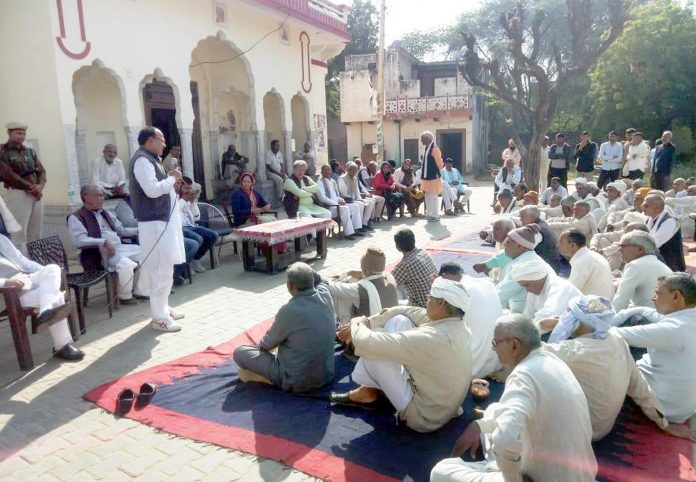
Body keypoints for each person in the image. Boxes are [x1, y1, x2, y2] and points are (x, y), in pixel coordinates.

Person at [432, 315, 597, 482]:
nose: (494, 349)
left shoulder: (523, 375)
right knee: (494, 409)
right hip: (582, 475)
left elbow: (505, 440)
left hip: (537, 477)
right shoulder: (553, 361)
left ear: (514, 345)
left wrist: (513, 478)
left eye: (495, 343)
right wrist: (478, 426)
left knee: (441, 471)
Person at [333, 278, 473, 433]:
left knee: (377, 349)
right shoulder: (459, 326)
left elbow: (369, 343)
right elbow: (403, 310)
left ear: (441, 303)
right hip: (444, 407)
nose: (427, 300)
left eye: (430, 298)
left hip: (424, 417)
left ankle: (369, 391)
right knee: (399, 320)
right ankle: (372, 390)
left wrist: (355, 323)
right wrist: (368, 321)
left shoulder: (433, 338)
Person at [544, 296, 688, 441]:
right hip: (604, 428)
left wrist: (539, 325)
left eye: (569, 314)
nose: (564, 318)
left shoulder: (571, 351)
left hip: (581, 434)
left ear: (578, 321)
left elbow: (524, 350)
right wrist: (664, 424)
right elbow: (640, 388)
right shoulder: (617, 341)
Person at [233, 262, 336, 393]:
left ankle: (271, 378)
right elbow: (322, 280)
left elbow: (266, 345)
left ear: (289, 286)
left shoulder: (288, 311)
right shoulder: (325, 294)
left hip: (296, 381)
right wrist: (307, 271)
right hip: (326, 375)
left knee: (240, 352)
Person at [613, 273, 696, 423]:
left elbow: (612, 334)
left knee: (602, 344)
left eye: (658, 293)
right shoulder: (687, 318)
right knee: (638, 319)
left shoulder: (673, 329)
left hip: (663, 407)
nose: (653, 298)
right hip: (682, 406)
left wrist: (573, 322)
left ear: (676, 296)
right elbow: (643, 311)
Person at [129, 127, 185, 333]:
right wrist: (171, 178)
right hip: (153, 223)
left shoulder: (153, 159)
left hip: (162, 221)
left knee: (167, 266)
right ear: (151, 140)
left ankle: (163, 307)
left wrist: (172, 182)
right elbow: (152, 190)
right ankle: (159, 317)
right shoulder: (142, 160)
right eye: (161, 140)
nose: (164, 144)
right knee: (159, 269)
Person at [0, 235, 83, 360]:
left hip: (25, 282)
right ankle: (62, 346)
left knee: (53, 269)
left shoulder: (2, 239)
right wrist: (6, 282)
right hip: (7, 294)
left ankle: (45, 312)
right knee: (56, 295)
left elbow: (23, 262)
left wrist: (49, 275)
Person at [68, 185, 146, 305]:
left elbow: (120, 230)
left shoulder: (106, 213)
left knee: (147, 254)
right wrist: (103, 242)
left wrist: (140, 230)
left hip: (119, 248)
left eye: (102, 195)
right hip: (99, 253)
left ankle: (141, 290)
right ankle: (125, 297)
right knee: (126, 265)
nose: (103, 198)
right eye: (99, 195)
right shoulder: (76, 217)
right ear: (86, 198)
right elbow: (79, 240)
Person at [436, 263, 502, 378]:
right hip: (495, 362)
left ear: (445, 277)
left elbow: (437, 318)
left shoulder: (460, 290)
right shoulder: (486, 282)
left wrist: (437, 289)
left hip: (473, 369)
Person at [0, 122, 46, 252]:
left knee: (36, 234)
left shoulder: (30, 152)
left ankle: (36, 265)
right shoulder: (2, 151)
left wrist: (40, 186)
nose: (21, 136)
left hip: (36, 194)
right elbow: (8, 174)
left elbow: (42, 171)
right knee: (18, 235)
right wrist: (32, 188)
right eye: (18, 133)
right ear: (9, 133)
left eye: (23, 133)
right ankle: (23, 269)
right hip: (18, 194)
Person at [326, 247, 398, 325]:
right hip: (392, 325)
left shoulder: (361, 289)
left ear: (366, 270)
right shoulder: (390, 278)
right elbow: (373, 274)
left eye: (361, 266)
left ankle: (344, 325)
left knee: (341, 296)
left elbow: (331, 287)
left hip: (371, 331)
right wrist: (351, 272)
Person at [495, 224, 555, 313]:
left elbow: (499, 295)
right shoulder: (530, 259)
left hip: (528, 316)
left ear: (520, 246)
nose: (504, 245)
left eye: (508, 242)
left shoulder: (523, 267)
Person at [512, 259, 582, 329]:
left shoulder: (559, 286)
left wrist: (525, 329)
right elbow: (527, 316)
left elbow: (548, 317)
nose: (527, 290)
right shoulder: (534, 291)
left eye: (527, 285)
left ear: (537, 278)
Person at [612, 231, 672, 310]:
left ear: (640, 249)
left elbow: (619, 303)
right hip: (662, 314)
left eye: (623, 246)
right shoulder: (655, 263)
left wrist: (605, 320)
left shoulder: (635, 265)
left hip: (649, 317)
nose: (619, 249)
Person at [178, 177, 219, 273]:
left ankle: (195, 259)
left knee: (213, 235)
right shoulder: (175, 198)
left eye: (189, 188)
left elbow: (197, 217)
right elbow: (175, 211)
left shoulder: (187, 199)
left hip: (191, 225)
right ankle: (186, 266)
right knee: (198, 239)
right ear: (180, 187)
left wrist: (192, 203)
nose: (188, 191)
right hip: (180, 227)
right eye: (185, 188)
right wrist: (184, 200)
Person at [559, 229, 614, 298]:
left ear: (573, 245)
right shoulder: (591, 256)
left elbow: (569, 292)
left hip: (592, 306)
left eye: (562, 243)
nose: (558, 245)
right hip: (602, 303)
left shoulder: (581, 261)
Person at [391, 228, 437, 308]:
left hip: (422, 307)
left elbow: (389, 281)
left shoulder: (405, 265)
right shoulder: (424, 253)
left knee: (392, 290)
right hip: (435, 302)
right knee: (403, 283)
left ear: (397, 247)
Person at [316, 164, 363, 239]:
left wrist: (341, 199)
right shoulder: (319, 182)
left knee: (355, 206)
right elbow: (322, 198)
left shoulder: (333, 181)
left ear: (331, 171)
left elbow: (337, 195)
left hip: (337, 205)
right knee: (345, 209)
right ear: (321, 172)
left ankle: (355, 229)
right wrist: (336, 203)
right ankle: (348, 233)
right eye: (325, 170)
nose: (327, 171)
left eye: (329, 169)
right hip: (329, 207)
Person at [643, 194, 686, 271]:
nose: (642, 207)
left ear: (657, 208)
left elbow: (654, 244)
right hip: (658, 262)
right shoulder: (649, 219)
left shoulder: (670, 221)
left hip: (671, 266)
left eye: (646, 206)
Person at [518, 205, 561, 274]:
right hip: (548, 265)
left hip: (548, 269)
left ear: (532, 217)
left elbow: (524, 249)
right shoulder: (540, 224)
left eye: (522, 216)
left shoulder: (537, 231)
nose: (520, 219)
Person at [338, 162, 378, 227]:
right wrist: (357, 200)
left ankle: (364, 223)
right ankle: (358, 226)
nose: (355, 173)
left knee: (371, 202)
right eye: (354, 171)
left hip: (354, 199)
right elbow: (343, 193)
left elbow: (357, 192)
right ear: (349, 170)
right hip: (347, 200)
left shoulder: (355, 178)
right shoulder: (342, 178)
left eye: (356, 171)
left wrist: (360, 199)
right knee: (361, 204)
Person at [420, 131, 445, 221]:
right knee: (427, 195)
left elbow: (440, 165)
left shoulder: (435, 149)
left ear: (427, 139)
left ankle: (435, 215)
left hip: (433, 176)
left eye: (422, 139)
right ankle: (429, 214)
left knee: (433, 196)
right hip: (426, 176)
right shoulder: (427, 148)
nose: (421, 141)